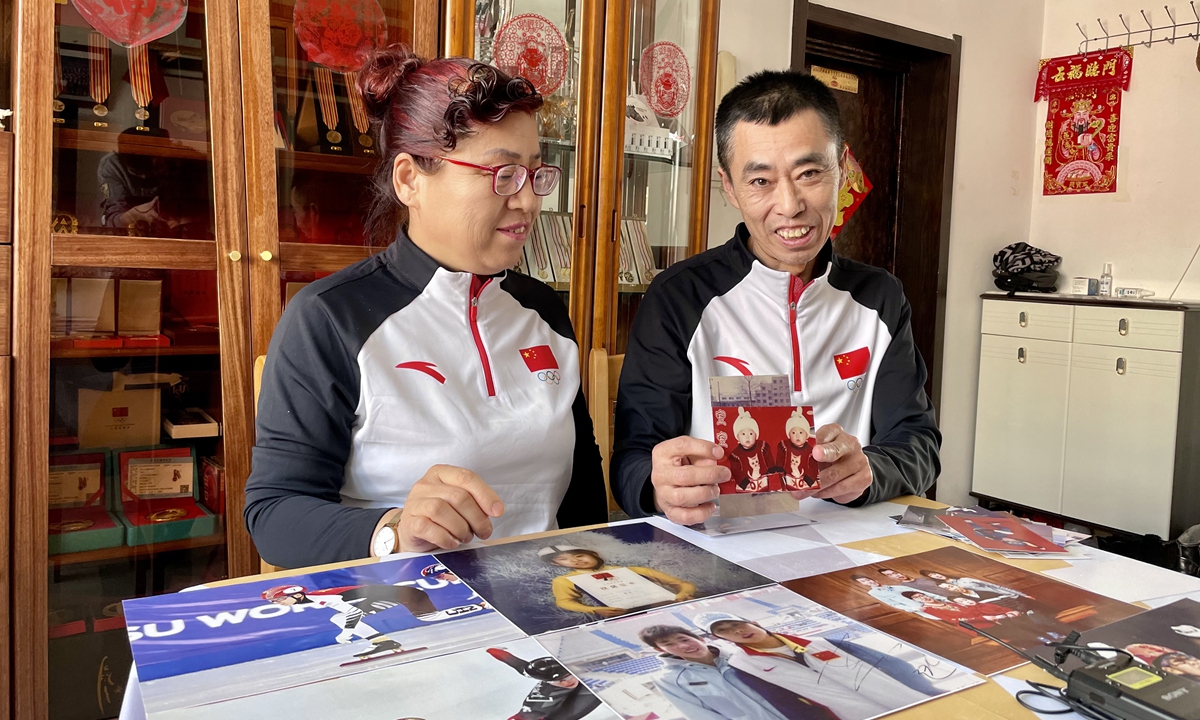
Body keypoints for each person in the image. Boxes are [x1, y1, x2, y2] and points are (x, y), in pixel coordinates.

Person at [244, 46, 607, 568]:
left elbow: (582, 498)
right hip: (407, 614)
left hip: (545, 604)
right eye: (501, 174)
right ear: (410, 179)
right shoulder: (331, 317)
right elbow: (274, 514)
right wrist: (392, 529)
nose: (527, 201)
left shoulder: (542, 310)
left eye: (534, 174)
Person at [611, 68, 940, 525]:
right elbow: (631, 461)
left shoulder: (880, 298)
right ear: (729, 186)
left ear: (841, 170)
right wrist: (657, 485)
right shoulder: (679, 298)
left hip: (853, 549)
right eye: (761, 181)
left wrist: (871, 469)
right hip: (724, 547)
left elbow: (918, 443)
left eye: (809, 173)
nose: (789, 205)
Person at [695, 612, 935, 719]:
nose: (737, 631)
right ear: (721, 639)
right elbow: (783, 702)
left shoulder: (818, 641)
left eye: (737, 624)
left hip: (909, 699)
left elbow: (890, 663)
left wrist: (928, 691)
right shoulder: (745, 666)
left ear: (754, 622)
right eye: (724, 631)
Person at [638, 625, 836, 720]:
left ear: (698, 637)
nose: (683, 646)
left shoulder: (738, 654)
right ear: (660, 650)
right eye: (668, 644)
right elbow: (700, 715)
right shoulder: (670, 679)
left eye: (684, 639)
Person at [540, 545, 695, 618]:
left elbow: (683, 584)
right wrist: (594, 610)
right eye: (564, 559)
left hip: (667, 610)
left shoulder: (636, 570)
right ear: (556, 564)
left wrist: (682, 595)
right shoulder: (563, 581)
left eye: (579, 555)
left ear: (594, 553)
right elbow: (564, 601)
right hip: (621, 617)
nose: (575, 561)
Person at [486, 648, 603, 720]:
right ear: (548, 681)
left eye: (568, 676)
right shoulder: (536, 706)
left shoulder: (530, 671)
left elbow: (515, 663)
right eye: (558, 681)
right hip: (556, 715)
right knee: (600, 690)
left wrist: (494, 651)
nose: (566, 682)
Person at [778, 409, 819, 491]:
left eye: (801, 433)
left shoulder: (811, 451)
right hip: (789, 480)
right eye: (793, 433)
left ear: (807, 435)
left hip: (805, 482)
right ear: (789, 435)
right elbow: (780, 461)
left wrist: (809, 479)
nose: (797, 436)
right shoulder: (784, 447)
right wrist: (780, 470)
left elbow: (814, 467)